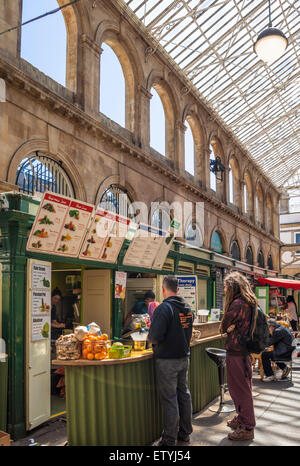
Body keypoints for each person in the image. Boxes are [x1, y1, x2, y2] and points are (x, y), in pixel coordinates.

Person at [148, 275, 194, 446]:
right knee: (184, 394)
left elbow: (154, 337)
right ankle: (185, 433)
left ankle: (169, 439)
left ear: (163, 289)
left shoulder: (164, 308)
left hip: (167, 360)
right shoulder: (187, 308)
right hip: (184, 357)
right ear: (178, 289)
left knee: (170, 398)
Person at [220, 271, 257, 441]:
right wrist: (230, 327)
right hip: (242, 352)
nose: (224, 289)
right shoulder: (248, 301)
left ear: (233, 287)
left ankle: (247, 427)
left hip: (237, 352)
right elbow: (228, 326)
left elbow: (224, 326)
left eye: (226, 286)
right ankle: (242, 418)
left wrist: (229, 327)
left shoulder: (237, 304)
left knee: (240, 390)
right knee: (241, 388)